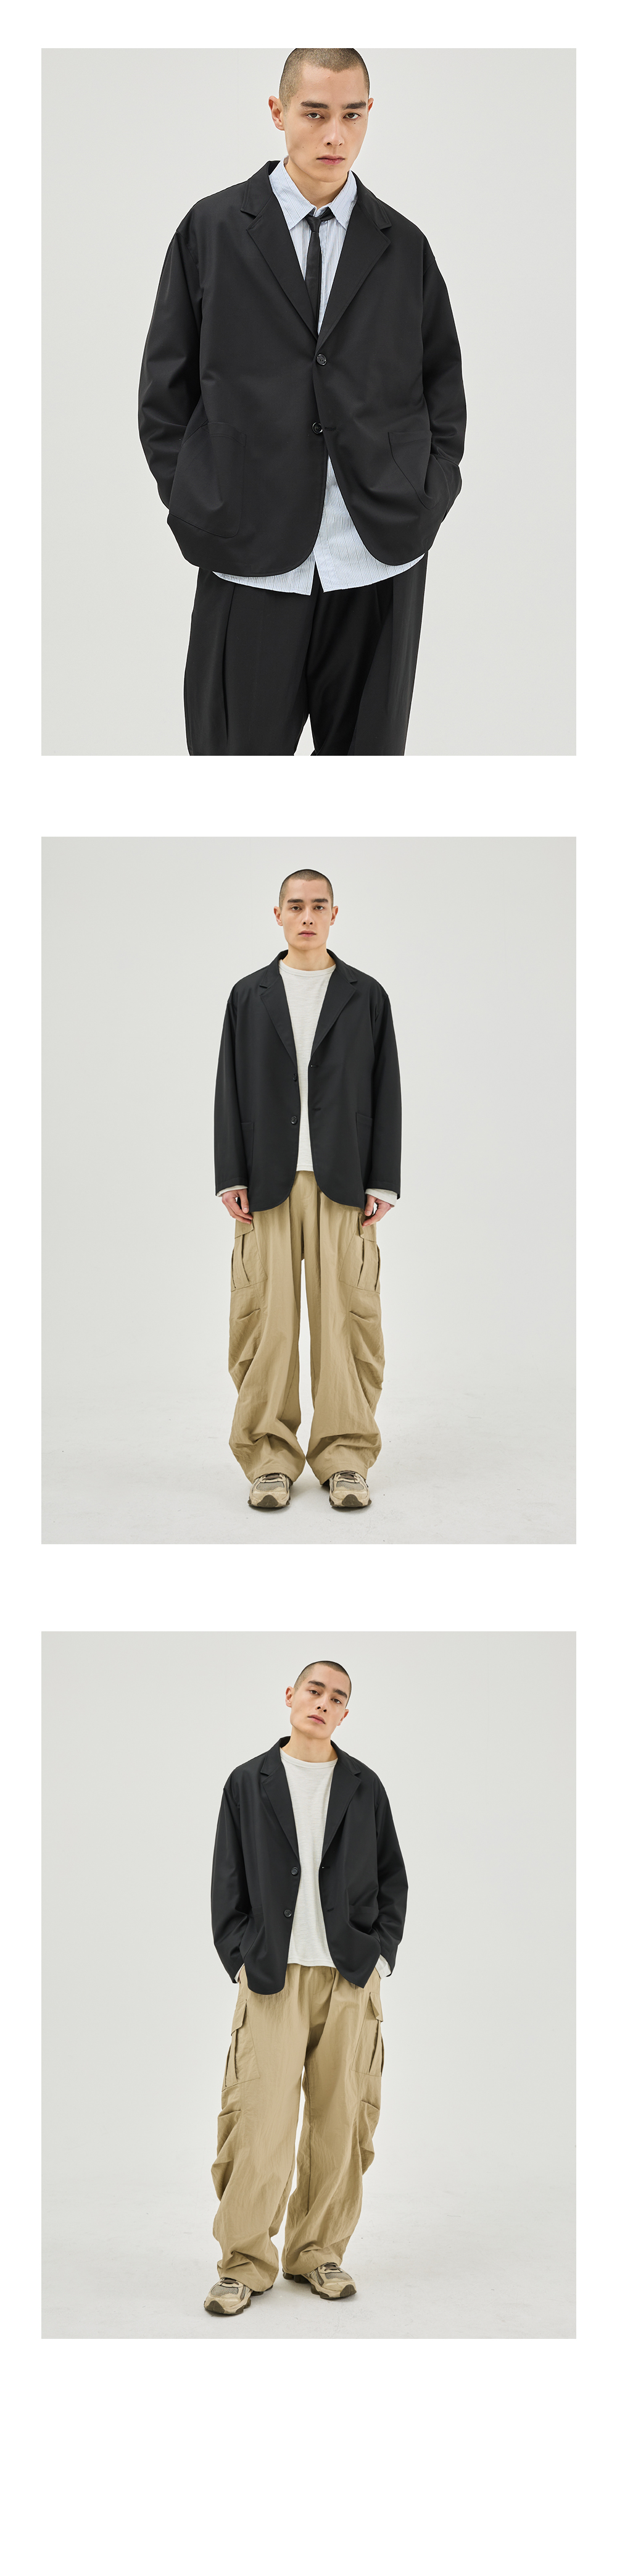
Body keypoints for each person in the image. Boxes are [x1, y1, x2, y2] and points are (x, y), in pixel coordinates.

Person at [138, 47, 466, 756]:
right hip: (248, 551)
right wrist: (200, 495)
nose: (334, 135)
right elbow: (165, 391)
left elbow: (442, 388)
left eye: (352, 115)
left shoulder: (403, 246)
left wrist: (426, 496)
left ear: (370, 114)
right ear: (278, 111)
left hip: (378, 558)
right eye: (315, 114)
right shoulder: (211, 231)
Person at [205, 1658, 407, 2315]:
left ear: (346, 1713)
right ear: (291, 1695)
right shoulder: (248, 1781)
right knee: (258, 2121)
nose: (324, 1702)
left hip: (349, 1979)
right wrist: (240, 1957)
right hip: (271, 1976)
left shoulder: (364, 1785)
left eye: (337, 1697)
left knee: (341, 2122)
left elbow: (393, 1876)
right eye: (315, 1690)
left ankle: (317, 2253)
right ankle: (243, 2262)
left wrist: (380, 1955)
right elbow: (227, 1878)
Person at [214, 868, 401, 1511]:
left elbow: (386, 1088)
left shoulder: (365, 995)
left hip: (343, 1181)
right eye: (295, 906)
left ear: (334, 913)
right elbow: (228, 1086)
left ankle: (345, 1457)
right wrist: (230, 1174)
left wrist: (383, 1180)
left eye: (318, 906)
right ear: (278, 914)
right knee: (266, 1324)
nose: (307, 916)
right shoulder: (249, 994)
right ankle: (268, 1459)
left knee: (345, 1321)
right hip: (265, 1183)